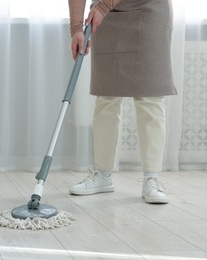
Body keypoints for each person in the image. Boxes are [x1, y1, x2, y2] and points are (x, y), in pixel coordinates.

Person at [68, 0, 177, 204]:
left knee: (150, 95)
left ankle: (152, 178)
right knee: (106, 95)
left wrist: (102, 7)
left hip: (150, 9)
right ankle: (103, 175)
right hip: (107, 16)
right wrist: (76, 28)